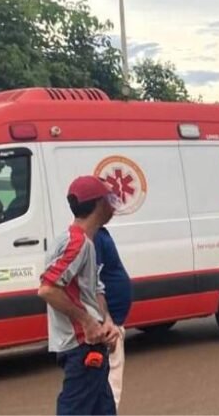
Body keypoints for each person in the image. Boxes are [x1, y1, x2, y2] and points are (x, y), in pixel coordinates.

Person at [38, 176, 121, 415]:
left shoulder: (85, 242)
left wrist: (106, 322)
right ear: (98, 204)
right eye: (109, 200)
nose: (113, 205)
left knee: (103, 410)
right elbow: (48, 289)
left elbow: (93, 289)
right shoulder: (77, 243)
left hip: (91, 343)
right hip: (82, 346)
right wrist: (88, 323)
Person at [95, 227, 132, 408]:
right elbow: (94, 284)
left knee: (112, 380)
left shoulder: (99, 233)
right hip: (108, 327)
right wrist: (105, 320)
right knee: (110, 383)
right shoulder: (93, 236)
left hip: (112, 323)